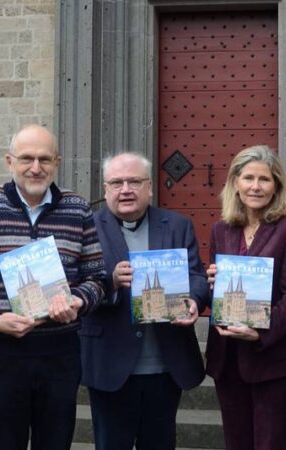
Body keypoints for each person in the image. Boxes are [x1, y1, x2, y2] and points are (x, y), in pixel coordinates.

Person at [0, 125, 106, 450]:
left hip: (60, 352)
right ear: (9, 161)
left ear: (57, 162)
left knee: (55, 443)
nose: (36, 167)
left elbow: (98, 278)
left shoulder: (77, 208)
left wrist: (77, 302)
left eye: (44, 159)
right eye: (26, 158)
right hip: (3, 352)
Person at [80, 152, 208, 450]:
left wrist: (193, 300)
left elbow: (197, 275)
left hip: (166, 364)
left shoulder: (177, 224)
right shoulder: (87, 227)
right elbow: (74, 284)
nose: (126, 189)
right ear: (105, 189)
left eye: (134, 181)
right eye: (117, 182)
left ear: (149, 187)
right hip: (109, 362)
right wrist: (109, 283)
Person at [204, 145, 286, 450]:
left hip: (273, 361)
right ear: (235, 182)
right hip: (228, 360)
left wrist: (260, 331)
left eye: (264, 179)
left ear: (276, 185)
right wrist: (214, 284)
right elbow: (221, 295)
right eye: (248, 177)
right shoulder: (221, 229)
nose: (255, 186)